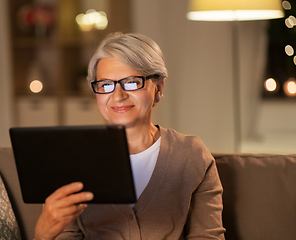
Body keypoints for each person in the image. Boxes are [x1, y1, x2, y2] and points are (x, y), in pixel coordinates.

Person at [35, 32, 225, 240]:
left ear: (159, 87)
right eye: (106, 85)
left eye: (132, 82)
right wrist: (44, 233)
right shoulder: (71, 159)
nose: (118, 96)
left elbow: (208, 237)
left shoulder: (191, 155)